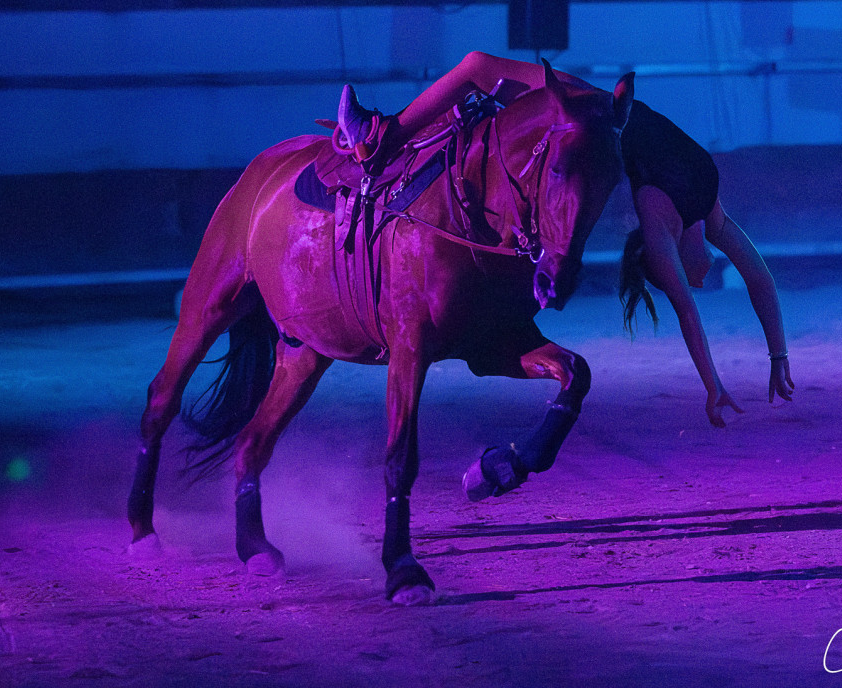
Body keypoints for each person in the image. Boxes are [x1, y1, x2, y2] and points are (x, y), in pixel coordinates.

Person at [335, 51, 794, 427]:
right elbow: (754, 281)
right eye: (695, 280)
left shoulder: (660, 223)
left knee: (479, 69)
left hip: (592, 115)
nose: (701, 281)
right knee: (477, 66)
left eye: (690, 281)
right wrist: (771, 358)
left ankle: (381, 135)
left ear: (665, 264)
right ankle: (377, 135)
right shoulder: (707, 212)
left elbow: (698, 308)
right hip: (596, 106)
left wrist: (730, 378)